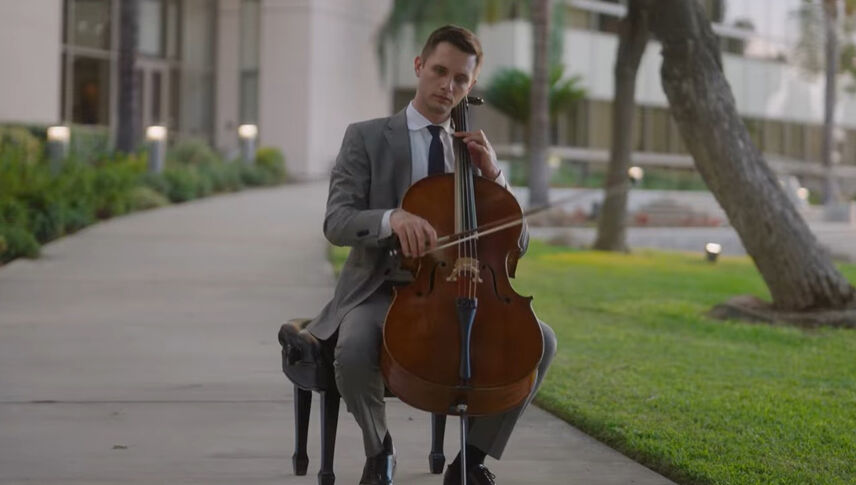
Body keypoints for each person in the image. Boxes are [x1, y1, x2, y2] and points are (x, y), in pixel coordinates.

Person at [307, 25, 557, 485]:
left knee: (543, 344)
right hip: (379, 289)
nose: (448, 87)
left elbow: (515, 244)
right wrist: (391, 219)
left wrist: (495, 177)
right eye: (440, 72)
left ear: (471, 84)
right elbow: (337, 222)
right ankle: (379, 449)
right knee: (355, 346)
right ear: (419, 67)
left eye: (461, 79)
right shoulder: (365, 137)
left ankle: (473, 458)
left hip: (465, 286)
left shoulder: (474, 155)